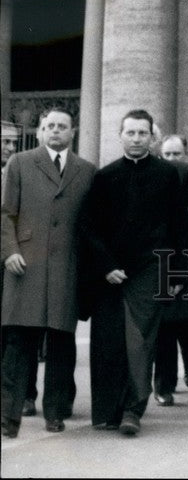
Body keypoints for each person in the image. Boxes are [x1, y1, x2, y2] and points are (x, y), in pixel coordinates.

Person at [80, 109, 188, 436]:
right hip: (111, 272)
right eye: (131, 133)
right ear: (121, 135)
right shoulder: (105, 176)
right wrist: (107, 266)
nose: (137, 139)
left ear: (151, 136)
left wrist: (180, 274)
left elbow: (179, 226)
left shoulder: (168, 175)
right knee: (109, 341)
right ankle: (108, 411)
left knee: (140, 340)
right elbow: (88, 228)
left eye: (143, 133)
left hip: (150, 268)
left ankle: (133, 409)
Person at [1, 108, 95, 438]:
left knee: (60, 345)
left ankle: (55, 413)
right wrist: (10, 251)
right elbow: (5, 214)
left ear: (72, 132)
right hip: (24, 266)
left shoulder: (86, 171)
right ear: (40, 131)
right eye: (49, 126)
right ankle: (8, 417)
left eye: (62, 126)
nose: (55, 131)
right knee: (18, 347)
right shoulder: (20, 163)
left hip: (66, 269)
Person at [153, 135, 188, 404]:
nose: (173, 159)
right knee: (163, 326)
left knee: (186, 318)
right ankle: (164, 385)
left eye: (177, 154)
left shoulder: (187, 175)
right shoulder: (154, 174)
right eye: (168, 154)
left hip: (186, 257)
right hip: (158, 259)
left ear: (185, 154)